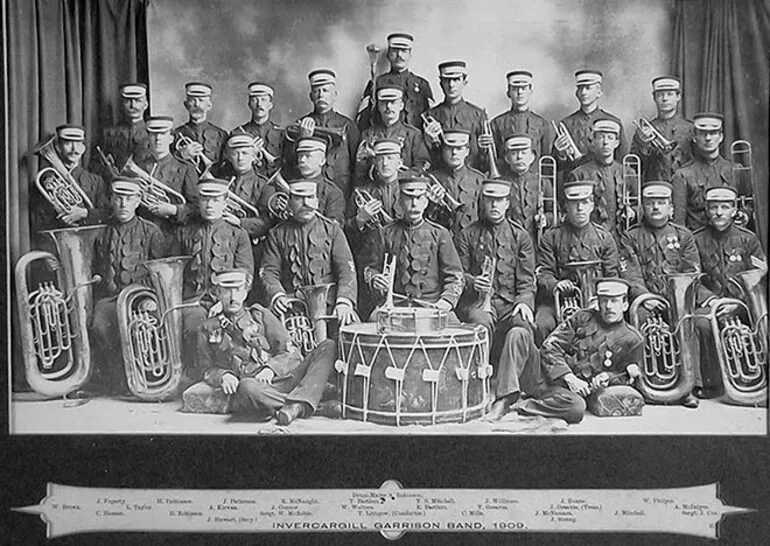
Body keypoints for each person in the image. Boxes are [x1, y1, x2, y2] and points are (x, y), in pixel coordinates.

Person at [198, 269, 339, 425]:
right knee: (246, 389)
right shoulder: (208, 327)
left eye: (238, 291)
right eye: (226, 292)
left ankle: (299, 401)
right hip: (256, 388)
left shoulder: (259, 315)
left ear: (245, 292)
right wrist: (224, 375)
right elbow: (205, 369)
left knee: (328, 346)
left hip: (285, 378)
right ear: (217, 293)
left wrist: (270, 369)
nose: (233, 298)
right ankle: (308, 403)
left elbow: (291, 351)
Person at [455, 179, 538, 420]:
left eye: (499, 200)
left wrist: (524, 301)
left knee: (521, 329)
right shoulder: (467, 234)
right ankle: (475, 388)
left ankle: (505, 396)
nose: (494, 204)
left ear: (507, 203)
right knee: (479, 323)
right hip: (478, 303)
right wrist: (472, 282)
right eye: (489, 199)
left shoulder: (520, 235)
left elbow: (526, 280)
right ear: (482, 201)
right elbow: (457, 273)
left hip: (511, 303)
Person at [619, 180, 701, 408]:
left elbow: (692, 270)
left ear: (671, 208)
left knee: (687, 321)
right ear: (642, 207)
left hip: (678, 301)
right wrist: (645, 296)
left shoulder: (684, 236)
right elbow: (630, 273)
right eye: (650, 203)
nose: (655, 207)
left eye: (661, 202)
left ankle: (688, 387)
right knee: (641, 323)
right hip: (646, 302)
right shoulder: (629, 236)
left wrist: (676, 301)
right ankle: (646, 383)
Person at [518, 278, 645, 422]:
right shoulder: (582, 317)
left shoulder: (633, 339)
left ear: (625, 304)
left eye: (614, 301)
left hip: (569, 394)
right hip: (546, 377)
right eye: (604, 300)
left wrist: (607, 378)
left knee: (577, 409)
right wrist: (569, 377)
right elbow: (550, 346)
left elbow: (628, 376)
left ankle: (523, 406)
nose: (609, 306)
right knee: (518, 334)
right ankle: (510, 398)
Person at [90, 177, 167, 393]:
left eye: (129, 198)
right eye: (118, 198)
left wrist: (152, 299)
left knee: (145, 324)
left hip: (142, 297)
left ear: (138, 201)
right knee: (99, 325)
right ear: (112, 200)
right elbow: (95, 267)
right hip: (110, 298)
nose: (123, 204)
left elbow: (161, 274)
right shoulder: (101, 233)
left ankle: (144, 376)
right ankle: (118, 380)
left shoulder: (151, 232)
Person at [172, 176, 254, 377]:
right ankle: (199, 376)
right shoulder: (184, 232)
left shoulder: (238, 234)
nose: (210, 205)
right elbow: (173, 274)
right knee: (196, 323)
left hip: (227, 301)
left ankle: (220, 375)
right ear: (198, 202)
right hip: (191, 302)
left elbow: (246, 275)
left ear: (225, 202)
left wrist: (224, 301)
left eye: (216, 200)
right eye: (205, 199)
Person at [259, 178, 359, 344]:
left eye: (310, 197)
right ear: (289, 203)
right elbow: (268, 271)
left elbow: (346, 270)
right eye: (298, 198)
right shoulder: (277, 234)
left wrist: (344, 301)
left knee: (352, 334)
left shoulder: (333, 230)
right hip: (292, 306)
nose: (306, 203)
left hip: (331, 307)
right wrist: (277, 296)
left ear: (317, 201)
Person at [691, 186, 766, 399]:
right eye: (713, 207)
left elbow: (759, 275)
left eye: (725, 207)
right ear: (706, 210)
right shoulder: (695, 239)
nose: (719, 212)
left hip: (742, 303)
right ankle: (711, 384)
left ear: (734, 210)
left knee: (761, 321)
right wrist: (712, 301)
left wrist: (739, 302)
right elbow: (692, 278)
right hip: (710, 304)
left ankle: (755, 378)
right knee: (701, 324)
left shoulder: (748, 239)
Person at [361, 172, 464, 321]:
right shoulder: (385, 232)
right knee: (374, 320)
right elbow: (370, 269)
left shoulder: (440, 234)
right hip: (395, 306)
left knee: (452, 322)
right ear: (400, 201)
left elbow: (456, 276)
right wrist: (375, 278)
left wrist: (446, 302)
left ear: (426, 202)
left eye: (419, 198)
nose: (414, 204)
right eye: (409, 198)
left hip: (432, 306)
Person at [535, 180, 621, 343]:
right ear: (566, 206)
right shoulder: (551, 237)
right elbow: (544, 273)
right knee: (542, 323)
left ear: (592, 205)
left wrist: (601, 298)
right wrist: (556, 285)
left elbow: (612, 276)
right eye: (574, 203)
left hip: (596, 301)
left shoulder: (605, 238)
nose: (580, 208)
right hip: (558, 303)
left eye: (585, 202)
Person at [284, 69, 360, 197]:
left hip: (342, 190)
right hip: (308, 192)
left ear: (335, 95)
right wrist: (302, 139)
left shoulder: (348, 125)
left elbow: (356, 166)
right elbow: (289, 164)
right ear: (311, 96)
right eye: (316, 91)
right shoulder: (299, 124)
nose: (321, 95)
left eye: (325, 91)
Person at [672, 113, 749, 232]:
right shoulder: (683, 175)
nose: (708, 138)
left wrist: (744, 215)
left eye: (713, 133)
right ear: (694, 137)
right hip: (697, 244)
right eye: (703, 134)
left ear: (721, 137)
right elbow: (679, 223)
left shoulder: (735, 170)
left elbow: (747, 204)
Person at [32, 124, 109, 234]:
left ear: (83, 148)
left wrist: (84, 213)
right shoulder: (46, 181)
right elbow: (37, 221)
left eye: (78, 144)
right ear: (58, 147)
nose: (74, 149)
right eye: (68, 143)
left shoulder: (96, 181)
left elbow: (108, 214)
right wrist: (56, 208)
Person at [568, 118, 635, 239]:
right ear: (593, 141)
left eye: (610, 138)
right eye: (600, 137)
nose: (605, 142)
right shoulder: (579, 174)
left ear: (617, 142)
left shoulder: (628, 173)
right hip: (590, 239)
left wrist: (632, 211)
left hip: (623, 238)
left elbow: (638, 204)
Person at [552, 70, 627, 176]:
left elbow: (622, 160)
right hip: (575, 184)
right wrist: (560, 154)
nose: (583, 92)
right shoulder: (566, 123)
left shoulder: (614, 122)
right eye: (580, 88)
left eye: (588, 88)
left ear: (599, 92)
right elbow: (556, 167)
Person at [356, 32, 433, 131]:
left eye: (404, 51)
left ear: (410, 54)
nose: (399, 55)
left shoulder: (422, 85)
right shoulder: (377, 83)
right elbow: (363, 121)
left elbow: (431, 119)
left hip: (415, 142)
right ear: (388, 54)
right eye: (395, 51)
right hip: (384, 141)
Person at [355, 85, 430, 181]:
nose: (388, 106)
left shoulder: (413, 135)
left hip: (404, 188)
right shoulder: (368, 135)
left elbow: (422, 166)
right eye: (383, 102)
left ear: (401, 105)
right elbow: (360, 171)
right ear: (378, 106)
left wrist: (395, 177)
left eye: (393, 102)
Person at [422, 60, 485, 170]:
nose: (451, 85)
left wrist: (485, 148)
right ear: (441, 83)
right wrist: (428, 140)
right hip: (439, 178)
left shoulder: (478, 115)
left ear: (464, 82)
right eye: (446, 80)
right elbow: (425, 158)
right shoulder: (430, 115)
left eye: (456, 80)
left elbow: (483, 158)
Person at [345, 139, 403, 255]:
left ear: (399, 163)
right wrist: (360, 219)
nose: (385, 163)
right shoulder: (361, 192)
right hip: (372, 255)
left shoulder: (409, 190)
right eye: (380, 159)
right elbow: (345, 232)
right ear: (375, 163)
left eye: (390, 158)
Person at [629, 76, 693, 182]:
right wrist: (643, 146)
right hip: (654, 189)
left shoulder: (690, 129)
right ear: (654, 98)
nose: (665, 98)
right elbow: (632, 167)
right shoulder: (643, 131)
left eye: (670, 94)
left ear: (678, 97)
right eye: (660, 94)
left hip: (684, 188)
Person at [425, 129, 485, 238]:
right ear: (442, 150)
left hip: (471, 241)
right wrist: (432, 205)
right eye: (449, 148)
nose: (454, 153)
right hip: (439, 239)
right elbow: (424, 220)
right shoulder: (430, 178)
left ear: (467, 151)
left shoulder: (479, 179)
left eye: (459, 148)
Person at [485, 70, 553, 163]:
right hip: (503, 176)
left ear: (530, 91)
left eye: (524, 88)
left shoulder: (543, 124)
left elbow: (547, 159)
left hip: (535, 176)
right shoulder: (496, 123)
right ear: (508, 93)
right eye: (515, 88)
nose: (520, 92)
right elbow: (489, 159)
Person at [91, 83, 152, 177]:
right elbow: (93, 165)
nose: (133, 105)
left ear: (146, 104)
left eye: (138, 101)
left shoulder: (154, 133)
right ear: (121, 105)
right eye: (128, 101)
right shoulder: (107, 133)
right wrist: (107, 170)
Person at [497, 134, 546, 246]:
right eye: (514, 153)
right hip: (507, 241)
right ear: (507, 158)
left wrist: (546, 219)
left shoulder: (542, 182)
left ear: (532, 157)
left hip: (536, 240)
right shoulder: (500, 183)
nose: (519, 157)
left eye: (524, 153)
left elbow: (555, 212)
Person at [230, 82, 284, 178]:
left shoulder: (281, 133)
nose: (259, 104)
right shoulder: (238, 133)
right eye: (255, 100)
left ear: (270, 105)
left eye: (263, 100)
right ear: (249, 104)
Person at [173, 83, 228, 175]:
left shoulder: (221, 135)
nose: (197, 104)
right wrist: (181, 155)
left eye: (201, 100)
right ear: (186, 105)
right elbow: (167, 166)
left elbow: (228, 166)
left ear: (209, 106)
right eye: (192, 100)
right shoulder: (176, 134)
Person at [289, 136, 346, 225]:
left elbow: (334, 228)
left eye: (308, 156)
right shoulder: (290, 187)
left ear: (322, 161)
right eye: (300, 156)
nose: (302, 160)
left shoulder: (333, 193)